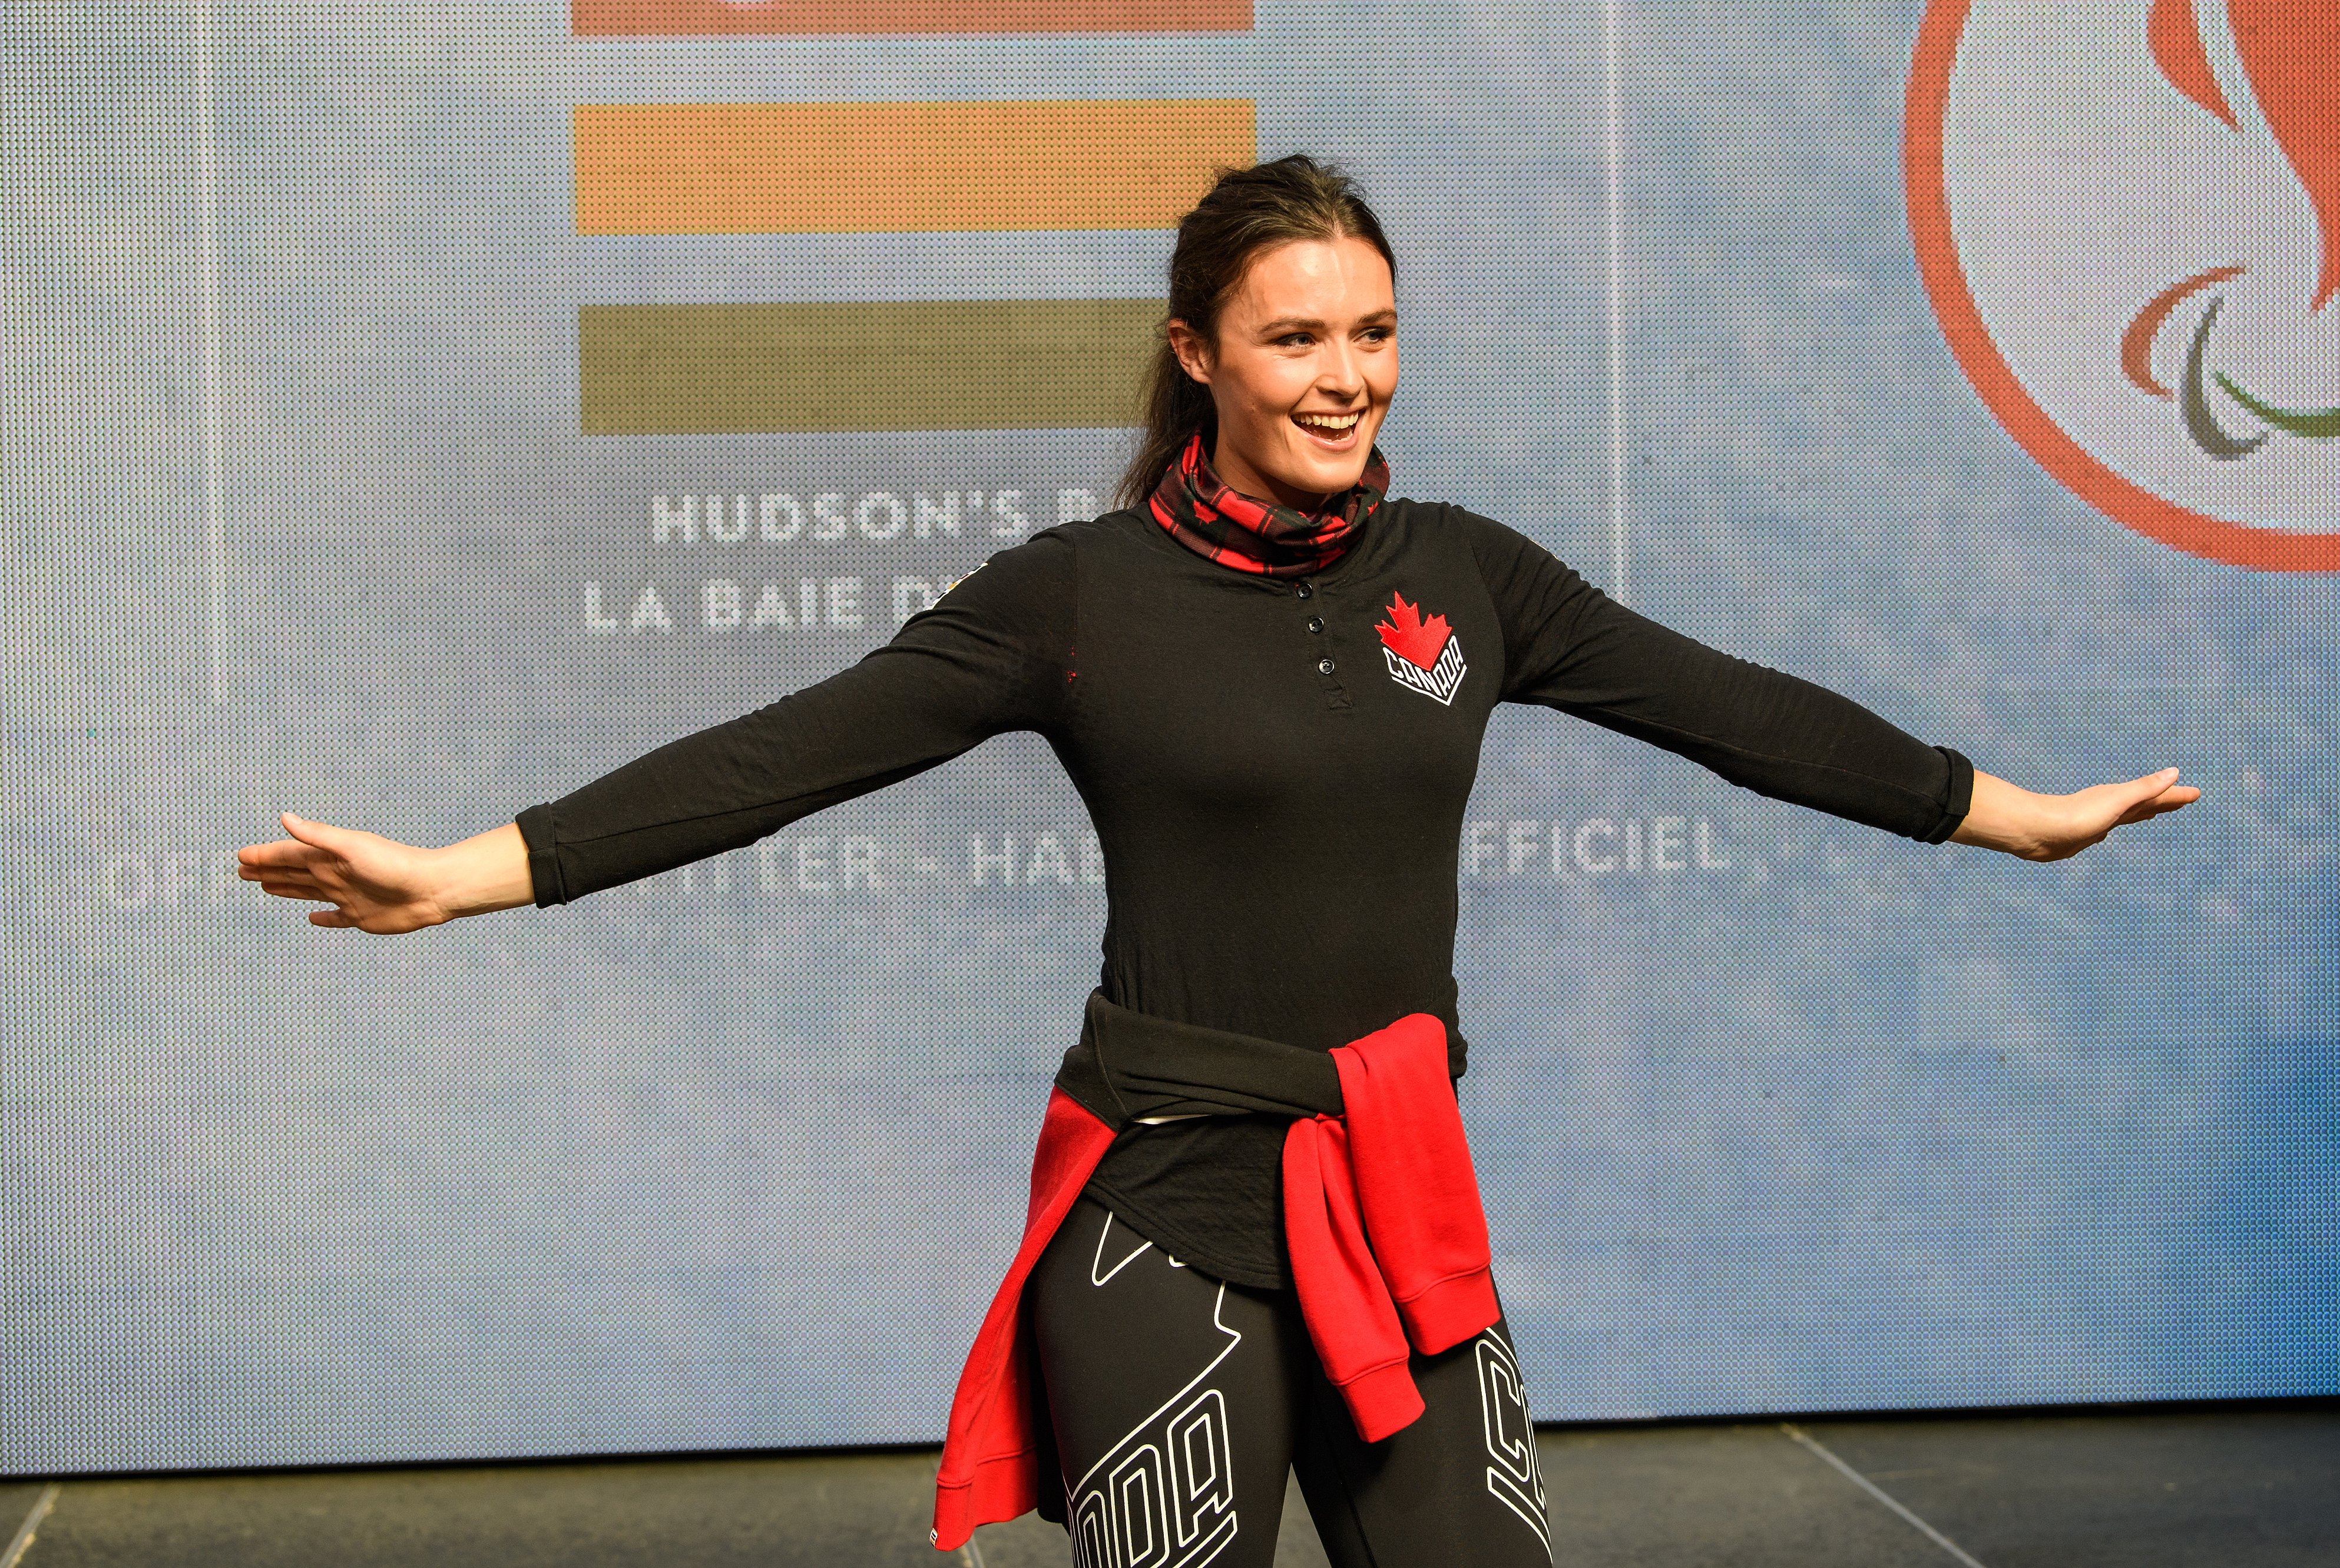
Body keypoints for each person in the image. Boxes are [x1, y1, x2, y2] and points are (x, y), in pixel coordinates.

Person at [238, 155, 2197, 1565]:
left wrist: (2000, 812)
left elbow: (1738, 709)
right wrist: (460, 872)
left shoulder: (1472, 583)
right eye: (1295, 338)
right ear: (1198, 354)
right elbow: (781, 757)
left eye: (1375, 332)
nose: (1346, 376)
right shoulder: (1077, 597)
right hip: (1163, 1207)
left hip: (1399, 1197)